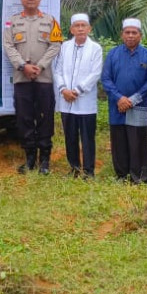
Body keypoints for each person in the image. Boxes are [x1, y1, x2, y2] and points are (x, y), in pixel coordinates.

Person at [3, 0, 62, 174]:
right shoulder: (12, 22)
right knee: (24, 118)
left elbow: (56, 44)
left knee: (45, 117)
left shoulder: (51, 21)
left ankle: (44, 160)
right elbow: (8, 46)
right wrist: (23, 66)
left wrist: (40, 66)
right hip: (22, 79)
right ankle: (29, 159)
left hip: (44, 79)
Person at [101, 18, 147, 183]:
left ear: (140, 35)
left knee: (138, 141)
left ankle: (139, 177)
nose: (130, 35)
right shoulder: (113, 54)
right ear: (122, 34)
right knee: (119, 141)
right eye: (127, 32)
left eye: (134, 32)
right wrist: (119, 98)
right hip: (116, 105)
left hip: (139, 106)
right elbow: (106, 79)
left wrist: (131, 100)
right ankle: (121, 175)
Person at [52, 13, 102, 178]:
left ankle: (88, 171)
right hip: (66, 100)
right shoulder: (64, 47)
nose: (80, 29)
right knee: (70, 137)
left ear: (89, 29)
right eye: (77, 26)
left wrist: (77, 91)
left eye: (83, 26)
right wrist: (63, 89)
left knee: (87, 138)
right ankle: (74, 168)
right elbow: (57, 70)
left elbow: (95, 73)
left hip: (85, 102)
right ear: (71, 29)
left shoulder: (95, 48)